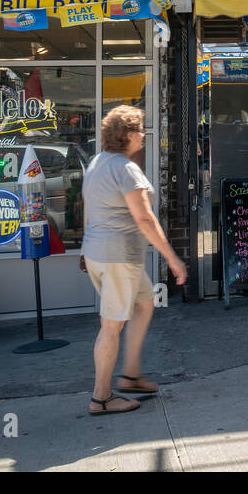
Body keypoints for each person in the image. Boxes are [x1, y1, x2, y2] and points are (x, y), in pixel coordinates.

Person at [82, 105, 187, 416]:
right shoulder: (125, 169)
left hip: (100, 254)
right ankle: (101, 397)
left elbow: (92, 209)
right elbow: (144, 218)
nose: (143, 134)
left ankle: (130, 375)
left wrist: (83, 251)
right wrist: (173, 259)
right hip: (118, 259)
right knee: (111, 326)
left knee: (144, 303)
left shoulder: (98, 162)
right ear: (127, 135)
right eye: (140, 129)